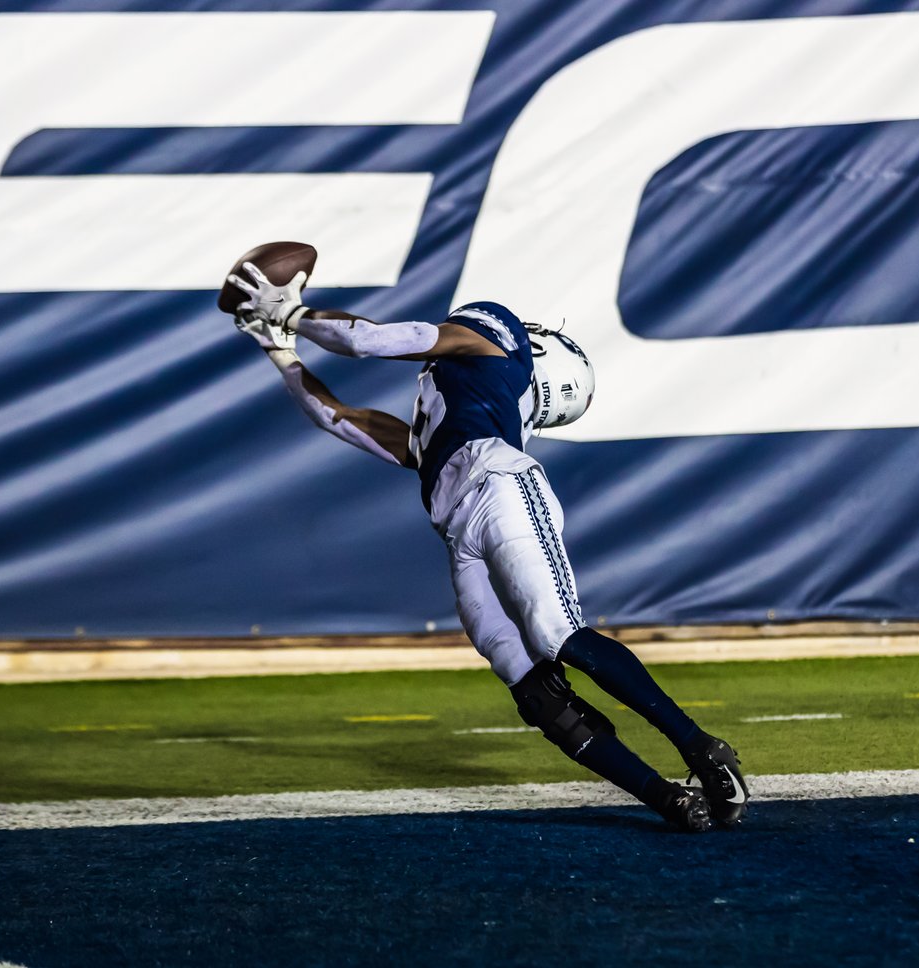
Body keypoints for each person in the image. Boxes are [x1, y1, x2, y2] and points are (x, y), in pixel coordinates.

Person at [226, 262, 749, 832]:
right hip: (461, 531)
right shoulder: (445, 422)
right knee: (533, 690)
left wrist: (294, 314)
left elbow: (370, 340)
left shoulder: (501, 336)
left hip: (501, 488)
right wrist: (280, 348)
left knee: (557, 633)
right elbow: (338, 417)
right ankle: (666, 799)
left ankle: (703, 749)